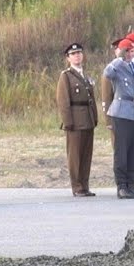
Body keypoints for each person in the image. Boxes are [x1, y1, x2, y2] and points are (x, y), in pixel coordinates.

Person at [104, 38, 134, 198]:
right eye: (126, 51)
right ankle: (122, 185)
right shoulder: (117, 67)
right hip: (122, 112)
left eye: (130, 51)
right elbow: (107, 73)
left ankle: (132, 183)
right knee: (122, 151)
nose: (129, 54)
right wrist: (118, 58)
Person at [56, 43, 98, 197]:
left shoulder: (85, 76)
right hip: (75, 120)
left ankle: (85, 185)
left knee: (86, 155)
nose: (77, 56)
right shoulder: (66, 76)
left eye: (79, 53)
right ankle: (77, 186)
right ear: (68, 58)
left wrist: (94, 117)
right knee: (75, 155)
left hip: (87, 119)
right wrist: (68, 122)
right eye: (73, 54)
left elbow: (91, 99)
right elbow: (63, 101)